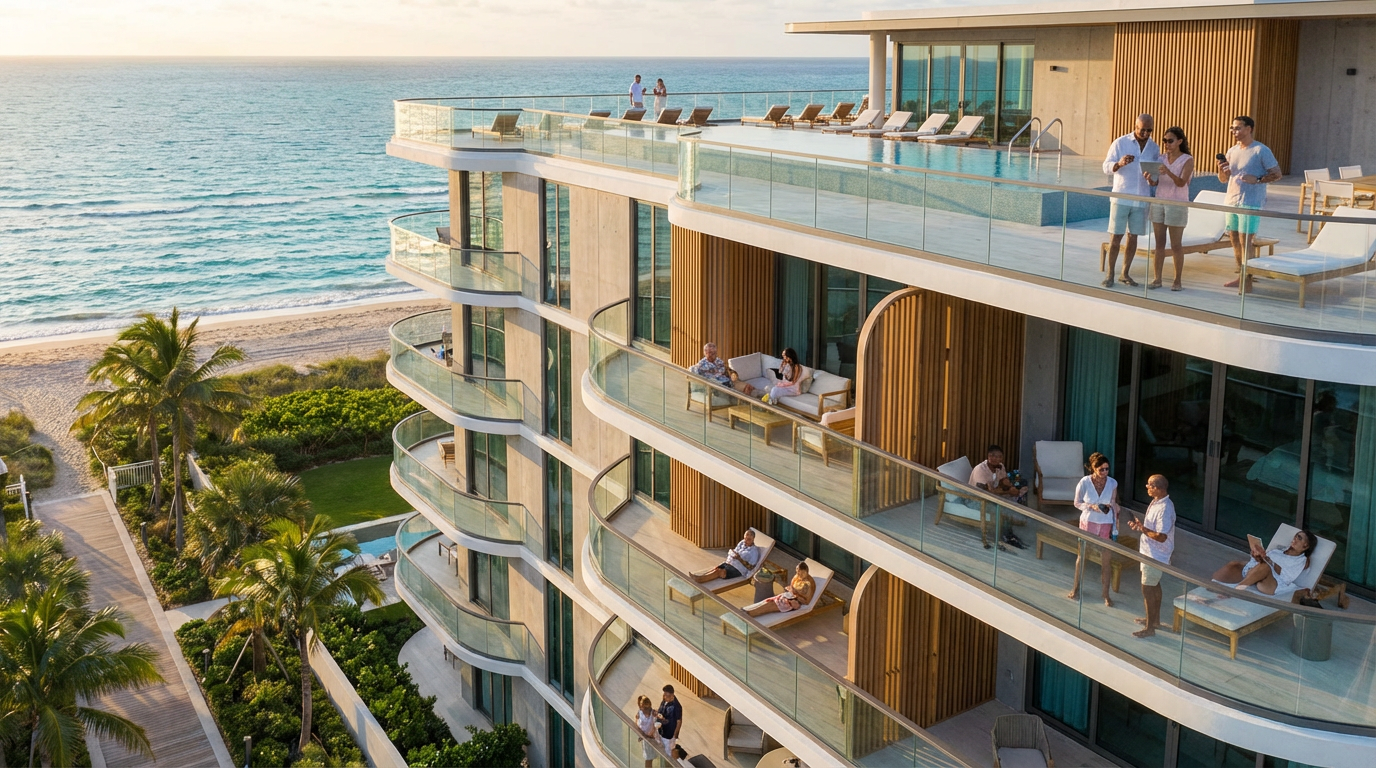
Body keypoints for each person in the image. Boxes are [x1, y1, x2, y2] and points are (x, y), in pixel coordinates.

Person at [1217, 115, 1281, 290]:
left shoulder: (1260, 150)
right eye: (1232, 128)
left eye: (1238, 128)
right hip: (1232, 200)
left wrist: (1258, 179)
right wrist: (1222, 171)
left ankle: (1248, 281)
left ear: (1249, 129)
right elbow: (1223, 179)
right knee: (1234, 239)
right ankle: (1241, 275)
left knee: (1246, 241)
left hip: (1250, 202)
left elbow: (1277, 174)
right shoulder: (1232, 151)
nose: (1234, 131)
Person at [1102, 114, 1160, 288]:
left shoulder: (1154, 148)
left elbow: (1155, 177)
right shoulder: (1120, 143)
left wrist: (1152, 180)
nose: (1146, 133)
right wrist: (1119, 164)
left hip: (1141, 198)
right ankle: (1110, 274)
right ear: (1135, 127)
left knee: (1133, 237)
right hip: (1121, 196)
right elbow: (1105, 166)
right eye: (1142, 130)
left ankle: (1125, 273)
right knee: (1115, 237)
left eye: (1149, 130)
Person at [1067, 452, 1120, 607]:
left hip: (1105, 523)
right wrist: (1091, 506)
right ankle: (1076, 588)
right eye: (1101, 469)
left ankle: (1106, 594)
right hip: (1088, 522)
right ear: (1093, 468)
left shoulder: (1113, 483)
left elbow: (1113, 502)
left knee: (1106, 561)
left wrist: (1114, 509)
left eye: (1107, 469)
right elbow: (1077, 503)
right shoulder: (1084, 482)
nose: (1105, 472)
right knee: (1082, 557)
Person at [1145, 126, 1194, 291]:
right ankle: (1157, 279)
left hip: (1177, 203)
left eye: (1170, 141)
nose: (1166, 144)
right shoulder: (1161, 158)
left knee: (1176, 245)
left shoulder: (1187, 160)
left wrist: (1168, 171)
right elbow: (1156, 182)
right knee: (1159, 243)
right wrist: (1150, 179)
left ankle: (1177, 280)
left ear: (1179, 141)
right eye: (1164, 141)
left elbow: (1181, 182)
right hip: (1159, 201)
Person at [1128, 474, 1176, 638]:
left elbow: (1161, 537)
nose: (1147, 487)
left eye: (1150, 485)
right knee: (1154, 586)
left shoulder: (1165, 509)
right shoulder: (1157, 501)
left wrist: (1143, 530)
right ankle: (1154, 621)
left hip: (1155, 555)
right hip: (1149, 552)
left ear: (1159, 488)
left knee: (1147, 588)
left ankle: (1150, 628)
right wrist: (1141, 527)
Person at [1213, 529, 1316, 595]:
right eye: (1296, 536)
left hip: (1272, 584)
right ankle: (1211, 587)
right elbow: (1261, 562)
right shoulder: (1278, 551)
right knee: (1234, 564)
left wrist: (1269, 562)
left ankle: (1234, 592)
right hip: (1257, 572)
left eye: (1299, 538)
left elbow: (1285, 576)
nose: (1295, 539)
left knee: (1265, 567)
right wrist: (1256, 556)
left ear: (1305, 546)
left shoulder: (1301, 560)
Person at [692, 529, 760, 583]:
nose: (748, 537)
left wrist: (739, 559)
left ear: (753, 538)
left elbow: (751, 567)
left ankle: (699, 580)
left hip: (738, 569)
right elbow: (735, 551)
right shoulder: (742, 543)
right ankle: (700, 576)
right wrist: (733, 552)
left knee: (720, 572)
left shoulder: (754, 551)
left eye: (750, 536)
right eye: (746, 535)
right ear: (744, 536)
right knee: (716, 568)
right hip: (730, 562)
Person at [689, 342, 756, 395]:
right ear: (705, 353)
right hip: (719, 386)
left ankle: (751, 395)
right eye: (711, 353)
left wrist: (732, 374)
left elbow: (727, 369)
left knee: (748, 388)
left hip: (729, 382)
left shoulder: (718, 361)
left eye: (715, 353)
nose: (713, 355)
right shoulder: (702, 364)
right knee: (744, 389)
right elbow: (694, 374)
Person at [748, 561, 814, 615]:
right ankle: (750, 610)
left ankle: (751, 613)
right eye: (797, 572)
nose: (799, 574)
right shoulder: (797, 577)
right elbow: (792, 587)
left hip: (795, 602)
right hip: (789, 596)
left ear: (806, 572)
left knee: (771, 605)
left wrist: (794, 594)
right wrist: (791, 590)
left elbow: (806, 602)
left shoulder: (808, 584)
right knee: (770, 601)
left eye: (801, 573)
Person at [655, 684, 683, 756]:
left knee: (668, 754)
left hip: (669, 735)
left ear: (672, 696)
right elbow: (661, 710)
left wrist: (675, 736)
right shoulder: (664, 700)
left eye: (666, 696)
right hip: (661, 730)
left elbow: (679, 721)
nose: (664, 697)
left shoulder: (677, 707)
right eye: (664, 695)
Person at [636, 695, 658, 768]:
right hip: (644, 738)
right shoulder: (640, 712)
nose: (645, 709)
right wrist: (640, 733)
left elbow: (655, 725)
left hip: (651, 738)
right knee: (648, 758)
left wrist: (649, 735)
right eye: (643, 707)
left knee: (649, 758)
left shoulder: (653, 713)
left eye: (647, 707)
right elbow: (636, 720)